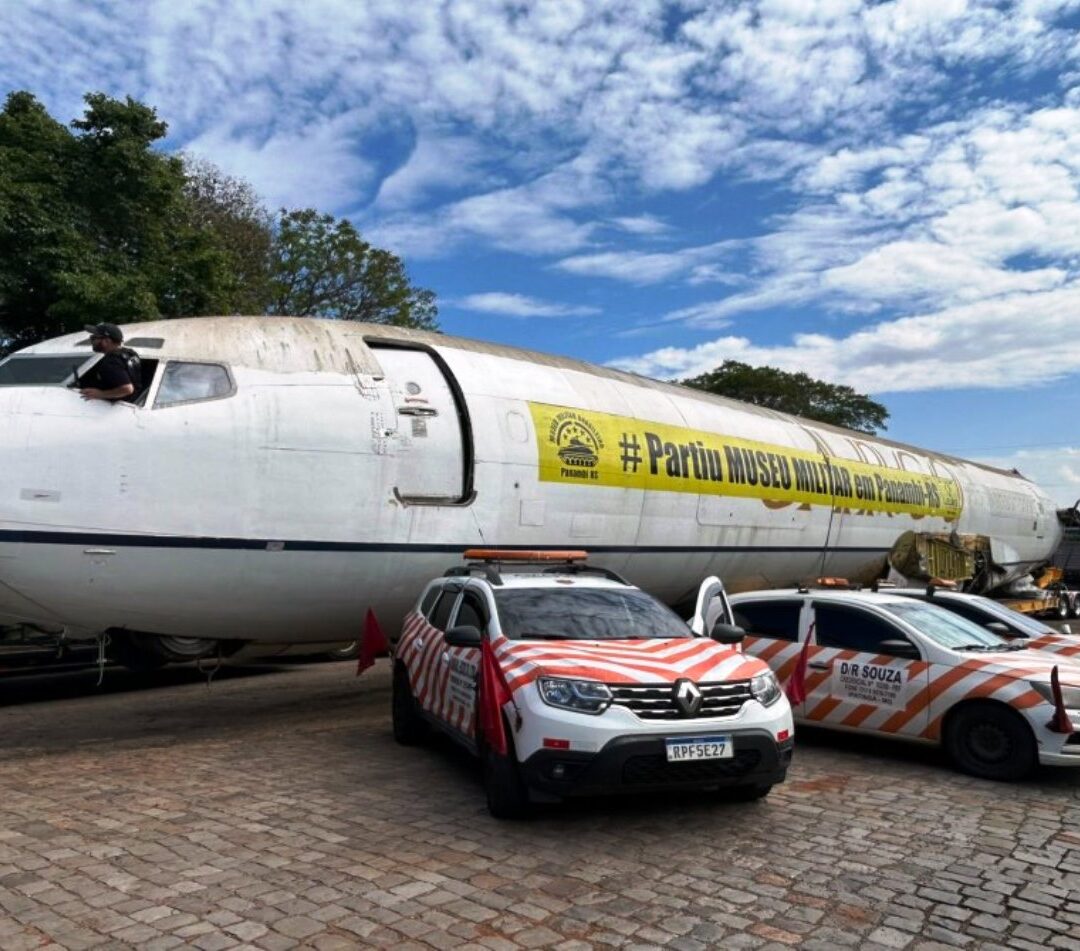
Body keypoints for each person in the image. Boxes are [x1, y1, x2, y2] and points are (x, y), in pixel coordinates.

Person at [78, 323, 141, 403]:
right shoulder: (130, 353)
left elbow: (127, 389)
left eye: (93, 338)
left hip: (118, 408)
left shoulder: (111, 362)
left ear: (106, 341)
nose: (91, 341)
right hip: (135, 400)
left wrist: (101, 394)